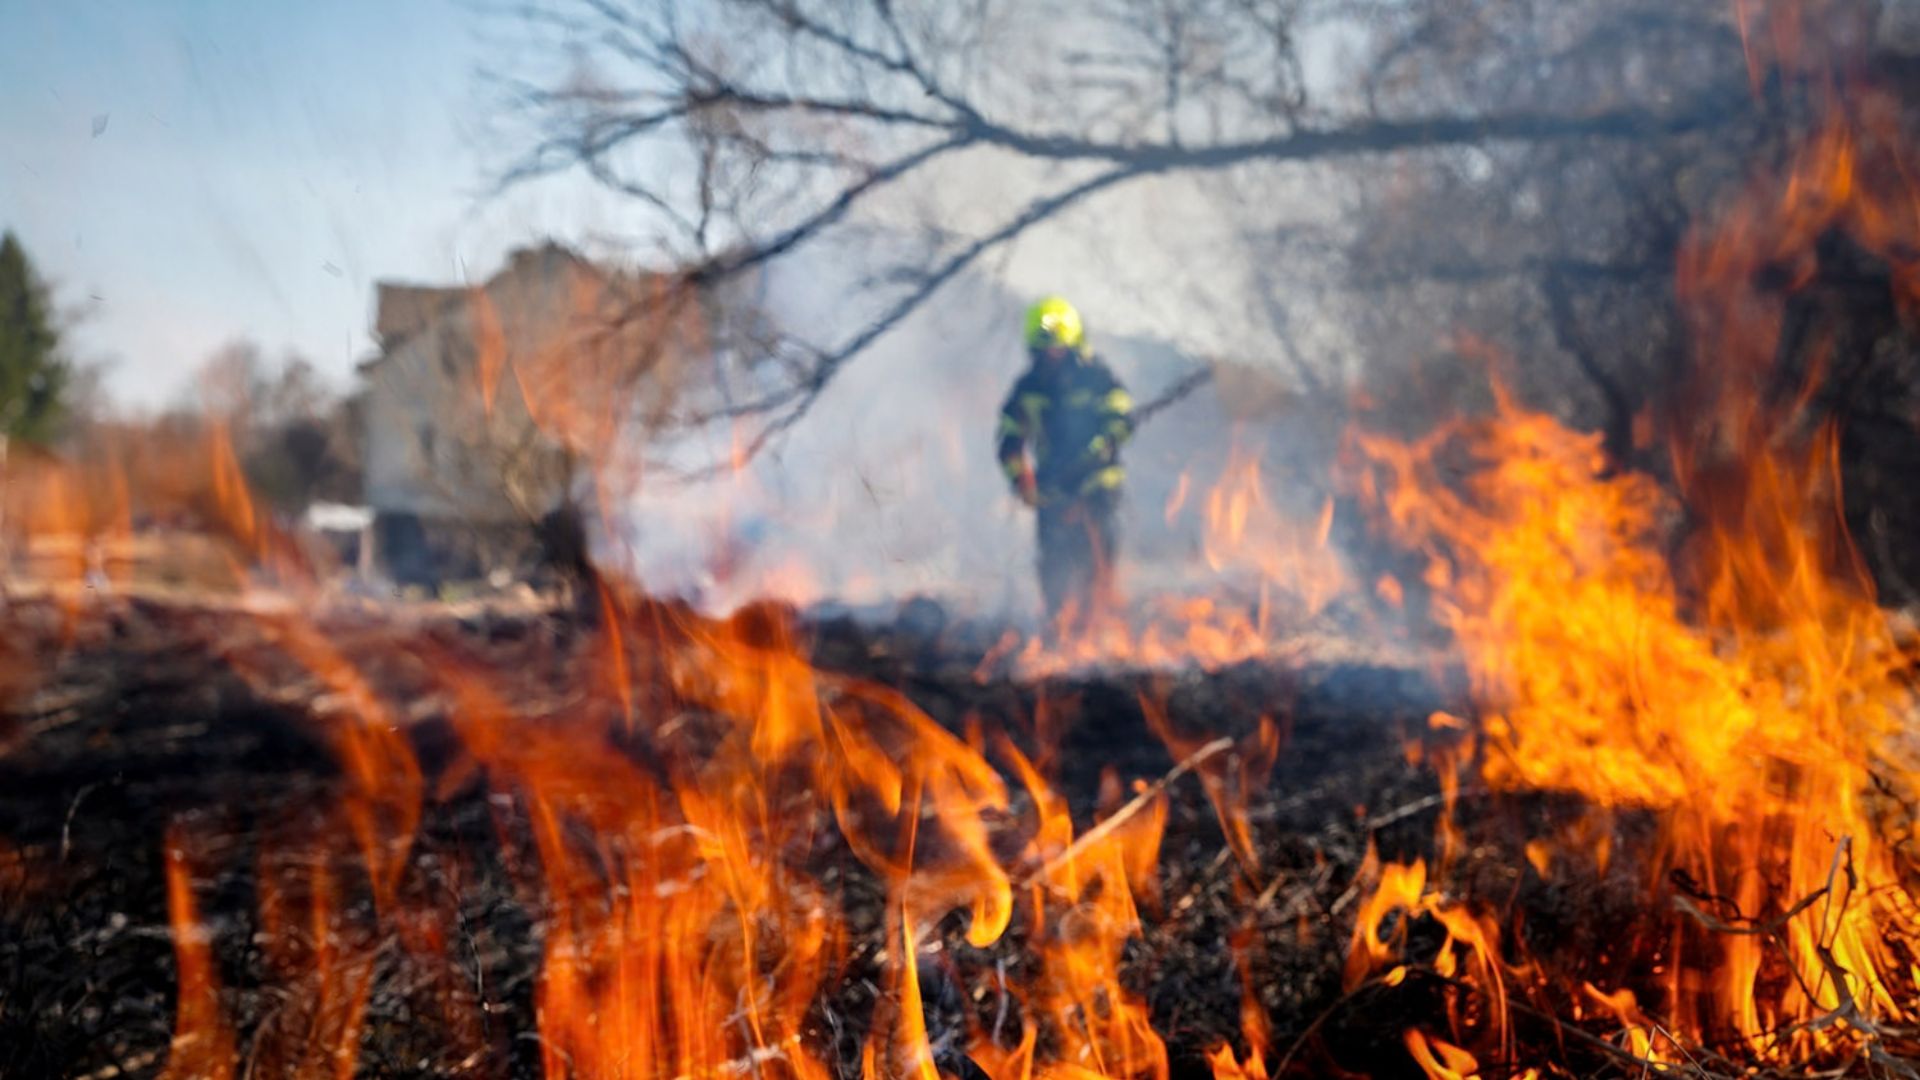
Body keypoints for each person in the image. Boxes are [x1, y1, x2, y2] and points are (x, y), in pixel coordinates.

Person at [995, 296, 1134, 637]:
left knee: (1096, 553)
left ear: (1071, 344)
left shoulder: (1097, 378)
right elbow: (1009, 440)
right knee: (1055, 558)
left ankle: (1098, 624)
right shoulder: (1027, 388)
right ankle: (1059, 626)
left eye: (1056, 349)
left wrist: (1107, 441)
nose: (1050, 357)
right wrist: (1021, 480)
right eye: (1043, 350)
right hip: (1052, 488)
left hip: (1097, 483)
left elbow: (1122, 417)